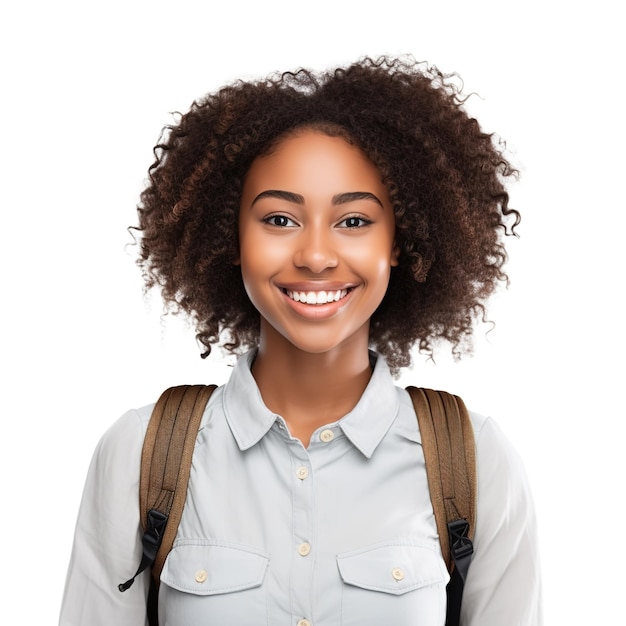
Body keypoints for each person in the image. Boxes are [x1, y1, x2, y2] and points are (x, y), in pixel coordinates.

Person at [59, 56, 542, 625]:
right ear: (230, 236)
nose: (315, 255)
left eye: (355, 221)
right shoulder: (142, 455)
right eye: (280, 219)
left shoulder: (474, 463)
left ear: (399, 242)